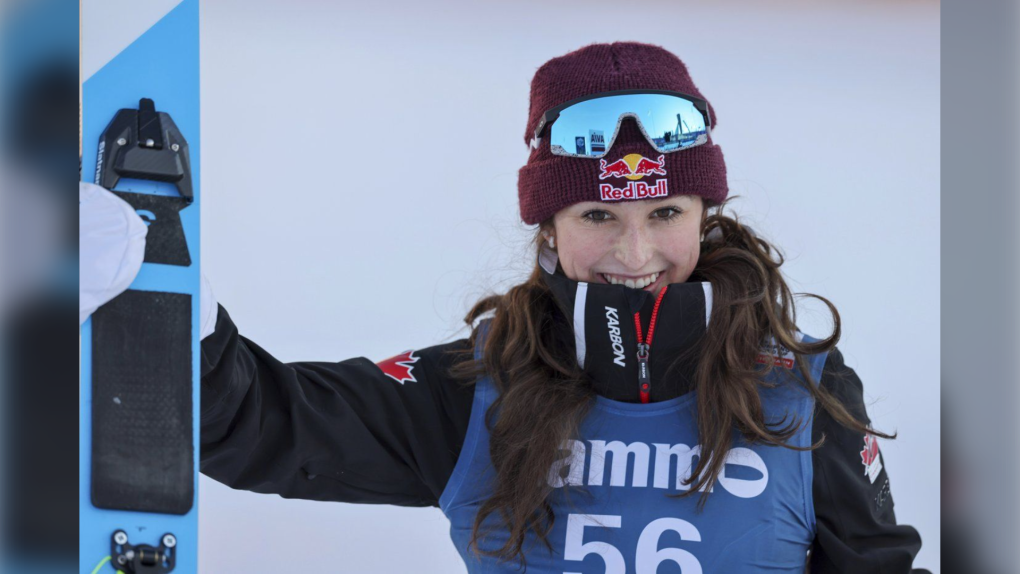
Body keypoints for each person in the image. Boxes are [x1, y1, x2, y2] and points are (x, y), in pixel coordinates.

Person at [81, 41, 928, 573]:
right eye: (599, 216)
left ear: (705, 218)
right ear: (550, 229)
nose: (636, 255)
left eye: (665, 214)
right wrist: (167, 316)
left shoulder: (800, 385)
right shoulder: (482, 388)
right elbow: (264, 425)